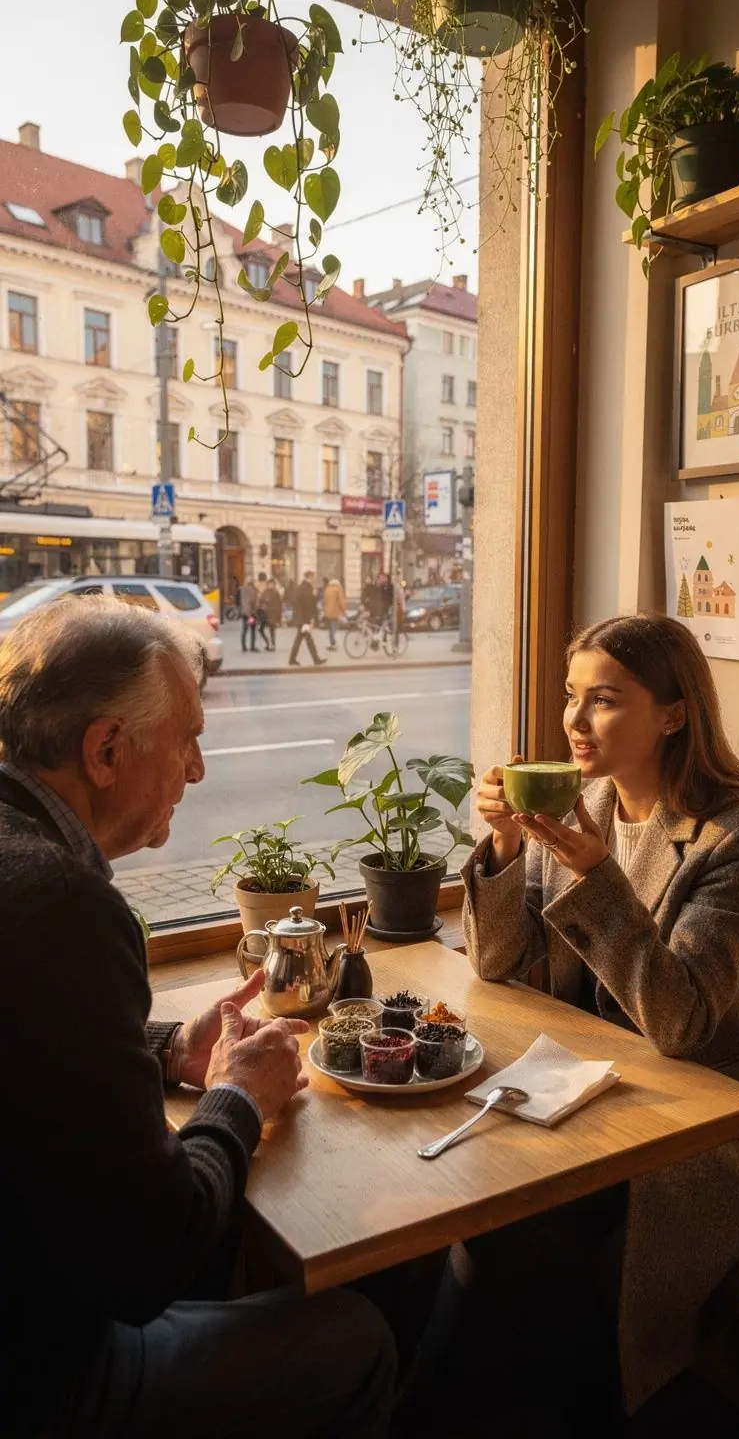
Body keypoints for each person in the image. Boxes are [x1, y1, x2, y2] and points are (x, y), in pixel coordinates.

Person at [0, 597, 395, 1438]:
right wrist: (239, 1097)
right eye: (186, 740)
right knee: (357, 1339)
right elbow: (154, 1258)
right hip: (40, 1380)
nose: (199, 771)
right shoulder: (58, 904)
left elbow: (28, 1041)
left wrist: (167, 1047)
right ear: (107, 750)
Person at [414, 614, 739, 1428]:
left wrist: (595, 876)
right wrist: (499, 849)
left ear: (673, 713)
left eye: (605, 700)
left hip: (722, 1120)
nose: (574, 720)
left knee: (517, 1241)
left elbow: (681, 1020)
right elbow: (493, 965)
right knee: (469, 1207)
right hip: (605, 1091)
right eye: (572, 697)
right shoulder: (584, 799)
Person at [289, 571, 326, 668]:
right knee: (308, 640)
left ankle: (292, 659)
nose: (315, 579)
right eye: (314, 577)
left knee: (300, 639)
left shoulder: (302, 587)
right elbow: (309, 605)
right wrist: (310, 619)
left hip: (301, 618)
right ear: (309, 577)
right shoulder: (306, 589)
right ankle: (316, 659)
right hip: (303, 619)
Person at [257, 573, 282, 653]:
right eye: (269, 584)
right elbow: (261, 601)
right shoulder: (265, 592)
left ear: (274, 585)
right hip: (265, 614)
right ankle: (267, 643)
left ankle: (273, 645)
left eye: (272, 584)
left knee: (272, 630)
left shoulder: (276, 593)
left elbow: (279, 605)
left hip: (273, 614)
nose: (270, 585)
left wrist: (278, 616)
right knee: (260, 630)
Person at [322, 574, 346, 652]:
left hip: (327, 613)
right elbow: (341, 601)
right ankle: (334, 644)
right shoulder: (338, 589)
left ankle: (332, 644)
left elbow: (324, 601)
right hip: (335, 612)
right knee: (334, 629)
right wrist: (343, 610)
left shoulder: (327, 589)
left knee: (330, 629)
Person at [238, 576, 258, 653]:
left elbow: (243, 602)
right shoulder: (251, 589)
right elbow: (250, 602)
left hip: (245, 612)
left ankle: (244, 647)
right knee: (252, 630)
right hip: (250, 613)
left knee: (245, 629)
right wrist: (250, 614)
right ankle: (252, 647)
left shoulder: (243, 589)